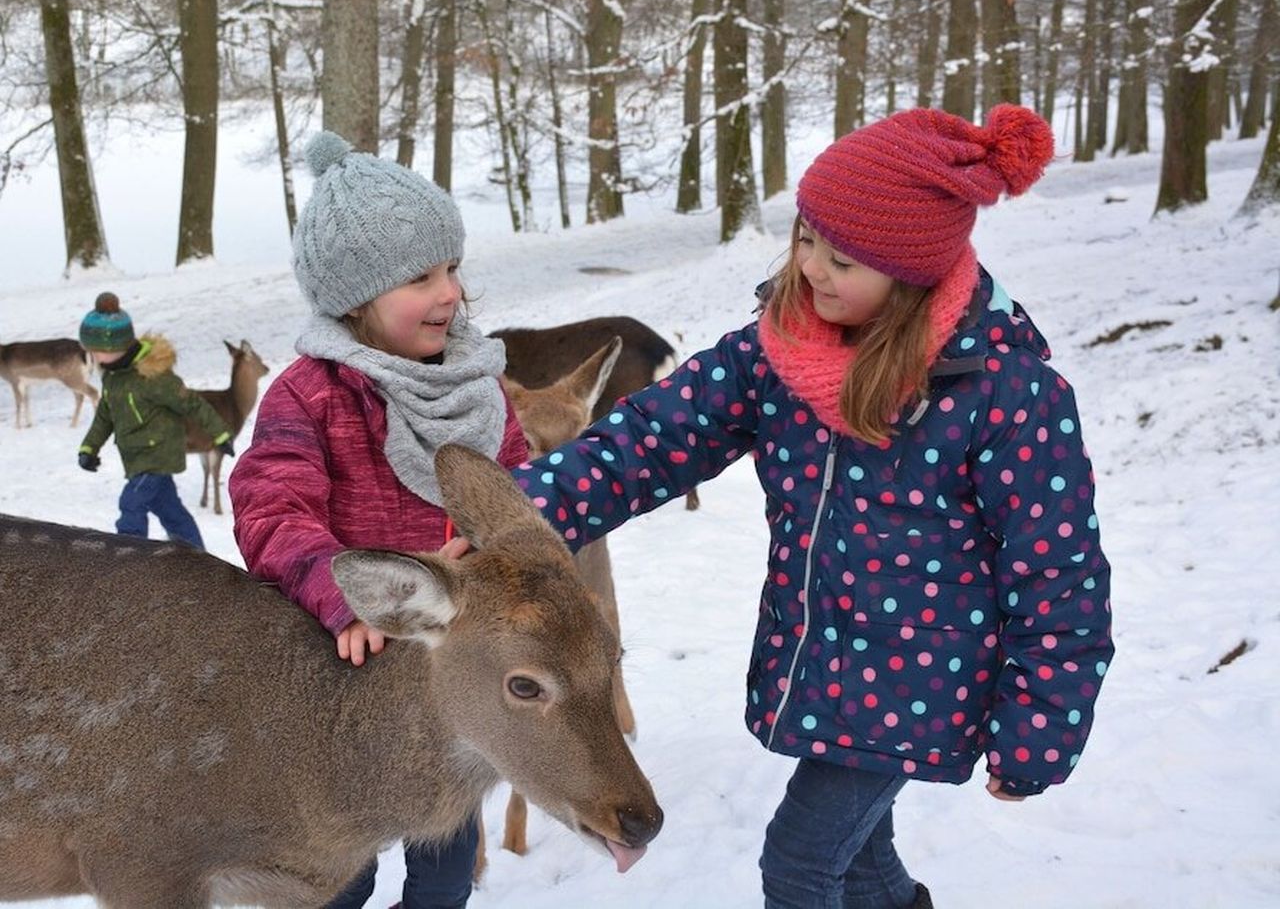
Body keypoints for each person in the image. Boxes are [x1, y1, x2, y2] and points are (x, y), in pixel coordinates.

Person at [511, 105, 1114, 908]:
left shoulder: (1003, 392)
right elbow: (651, 441)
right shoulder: (779, 350)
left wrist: (1040, 726)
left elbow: (1058, 571)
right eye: (806, 240)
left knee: (799, 866)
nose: (815, 269)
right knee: (863, 867)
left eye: (844, 259)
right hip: (828, 664)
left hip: (922, 684)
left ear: (911, 272)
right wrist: (514, 516)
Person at [227, 131, 527, 909]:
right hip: (347, 675)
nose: (450, 292)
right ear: (355, 298)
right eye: (420, 277)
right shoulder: (309, 394)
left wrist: (498, 551)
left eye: (452, 267)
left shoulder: (476, 384)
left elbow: (521, 490)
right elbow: (271, 504)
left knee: (445, 873)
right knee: (340, 876)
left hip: (446, 683)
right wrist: (341, 592)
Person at [76, 291, 233, 551]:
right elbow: (105, 416)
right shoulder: (113, 377)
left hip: (158, 455)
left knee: (132, 503)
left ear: (114, 347)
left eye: (95, 351)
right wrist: (89, 448)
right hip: (136, 456)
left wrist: (220, 435)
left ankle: (130, 558)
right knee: (170, 511)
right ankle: (197, 556)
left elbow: (191, 403)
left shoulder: (154, 377)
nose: (92, 356)